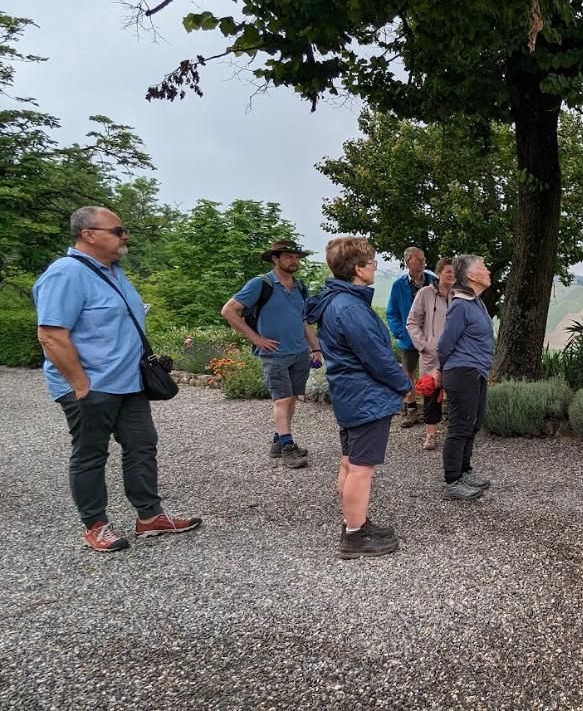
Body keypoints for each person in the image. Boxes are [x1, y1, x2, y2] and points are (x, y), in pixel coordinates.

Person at [33, 206, 202, 553]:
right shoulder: (66, 273)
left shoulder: (114, 272)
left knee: (142, 445)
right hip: (91, 385)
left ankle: (150, 516)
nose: (125, 236)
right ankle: (95, 524)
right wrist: (81, 384)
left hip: (129, 382)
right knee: (91, 454)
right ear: (89, 235)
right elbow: (51, 335)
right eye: (117, 230)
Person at [304, 237, 413, 559]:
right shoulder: (350, 308)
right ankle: (354, 536)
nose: (375, 268)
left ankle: (356, 521)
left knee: (350, 462)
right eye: (372, 263)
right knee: (362, 469)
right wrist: (403, 384)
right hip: (366, 398)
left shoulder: (336, 301)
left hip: (351, 394)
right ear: (358, 269)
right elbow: (376, 358)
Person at [220, 239, 319, 467]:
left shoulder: (300, 287)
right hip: (275, 354)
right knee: (282, 399)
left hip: (299, 352)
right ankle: (288, 448)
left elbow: (304, 320)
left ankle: (279, 441)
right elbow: (228, 311)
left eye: (296, 257)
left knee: (291, 398)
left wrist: (315, 348)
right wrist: (256, 339)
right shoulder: (261, 284)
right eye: (289, 256)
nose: (294, 261)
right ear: (275, 258)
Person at [434, 254, 495, 501]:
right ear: (470, 275)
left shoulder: (476, 302)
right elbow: (444, 345)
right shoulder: (460, 305)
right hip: (462, 372)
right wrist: (442, 371)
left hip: (477, 371)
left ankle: (464, 471)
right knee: (460, 427)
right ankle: (452, 481)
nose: (488, 270)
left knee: (473, 424)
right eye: (483, 267)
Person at [406, 257, 456, 451]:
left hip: (456, 354)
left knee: (456, 393)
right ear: (439, 272)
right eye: (448, 271)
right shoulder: (425, 293)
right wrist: (424, 345)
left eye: (455, 272)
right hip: (432, 354)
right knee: (431, 393)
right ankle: (430, 435)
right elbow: (412, 322)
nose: (452, 275)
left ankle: (456, 434)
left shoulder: (460, 295)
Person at [386, 246, 437, 428]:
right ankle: (412, 410)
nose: (423, 262)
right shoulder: (399, 285)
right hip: (408, 338)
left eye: (424, 259)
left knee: (433, 372)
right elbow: (391, 312)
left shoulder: (433, 281)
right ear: (408, 262)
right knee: (408, 374)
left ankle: (432, 411)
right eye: (419, 259)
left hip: (431, 337)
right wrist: (400, 333)